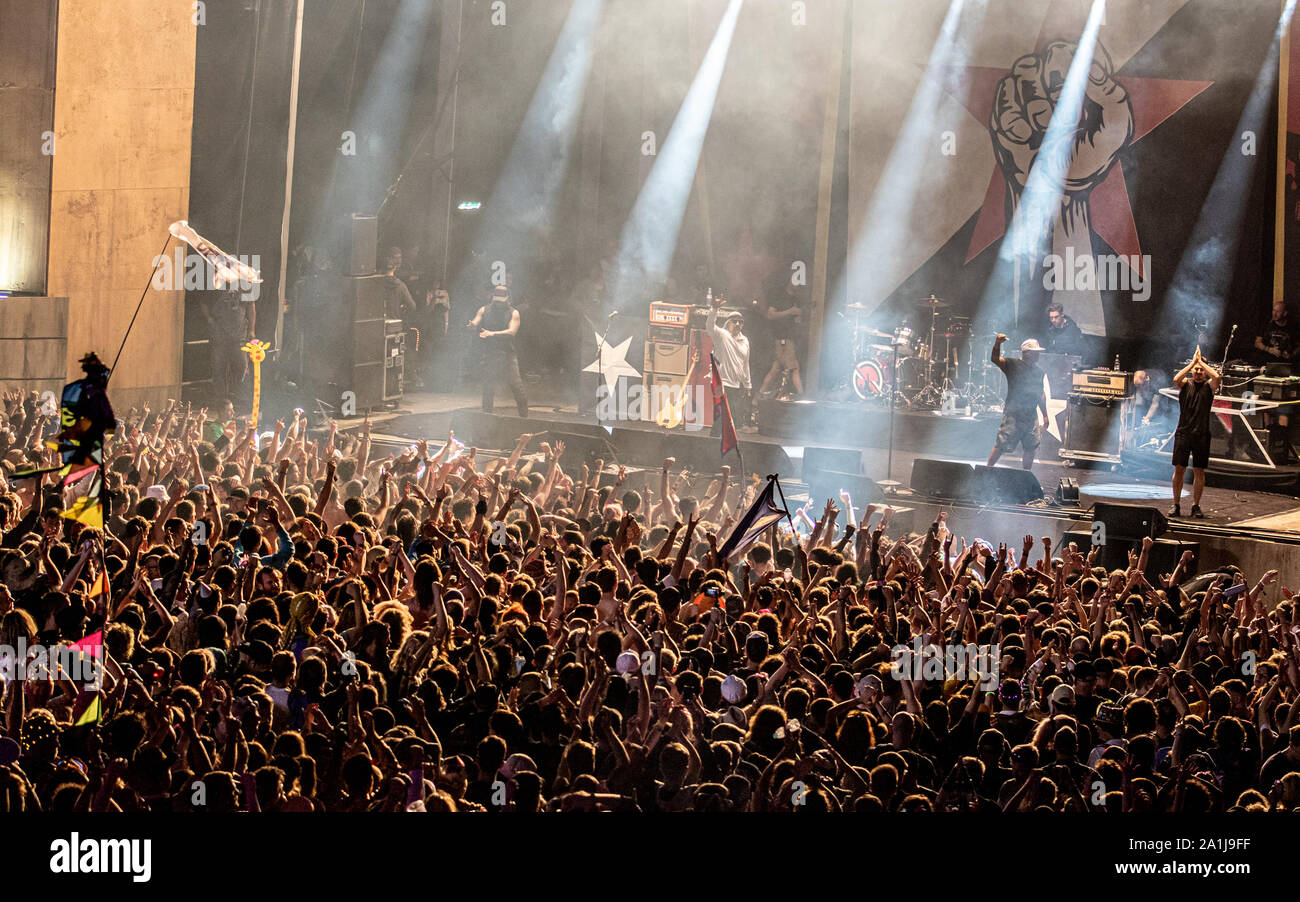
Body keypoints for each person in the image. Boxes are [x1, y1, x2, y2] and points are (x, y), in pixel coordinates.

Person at [1170, 348, 1221, 518]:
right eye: (1196, 369)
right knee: (1179, 468)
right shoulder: (1185, 384)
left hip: (1201, 434)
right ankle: (1176, 504)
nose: (1198, 372)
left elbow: (1217, 377)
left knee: (1199, 470)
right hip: (1184, 432)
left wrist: (1202, 363)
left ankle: (1196, 505)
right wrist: (1193, 362)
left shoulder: (1209, 386)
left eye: (1201, 369)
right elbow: (1176, 378)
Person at [987, 335, 1048, 471]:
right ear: (1027, 353)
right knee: (1002, 443)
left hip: (1030, 415)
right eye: (1036, 352)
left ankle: (1026, 474)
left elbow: (1040, 394)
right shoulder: (1012, 364)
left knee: (1031, 446)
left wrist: (1045, 415)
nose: (1038, 355)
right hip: (1013, 413)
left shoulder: (1039, 372)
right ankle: (987, 469)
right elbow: (995, 359)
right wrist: (997, 343)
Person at [468, 285, 528, 417]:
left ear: (507, 299)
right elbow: (476, 321)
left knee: (516, 386)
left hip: (507, 354)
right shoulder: (484, 310)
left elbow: (512, 331)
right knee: (488, 387)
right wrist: (472, 326)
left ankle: (524, 418)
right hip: (491, 354)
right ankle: (486, 417)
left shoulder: (514, 313)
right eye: (497, 300)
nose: (499, 304)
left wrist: (492, 334)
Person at [707, 291, 753, 432]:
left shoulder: (744, 340)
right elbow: (709, 325)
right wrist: (714, 309)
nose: (738, 324)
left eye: (741, 322)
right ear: (728, 323)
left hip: (735, 384)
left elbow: (745, 364)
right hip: (721, 381)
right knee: (722, 416)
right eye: (735, 321)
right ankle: (713, 444)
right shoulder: (722, 335)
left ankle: (718, 445)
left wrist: (748, 385)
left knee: (729, 418)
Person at [1254, 299, 1298, 368]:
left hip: (1286, 363)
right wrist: (1270, 350)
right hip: (1267, 362)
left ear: (1285, 313)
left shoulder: (1293, 327)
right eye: (1273, 310)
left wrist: (1291, 354)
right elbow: (1257, 343)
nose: (1274, 314)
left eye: (1277, 311)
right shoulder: (1266, 324)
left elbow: (1298, 346)